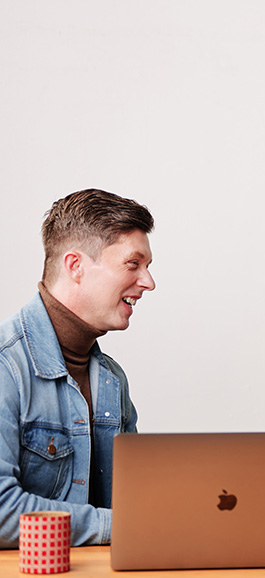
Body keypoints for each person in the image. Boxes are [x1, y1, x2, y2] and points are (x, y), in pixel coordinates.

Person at [0, 189, 155, 547]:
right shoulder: (7, 366)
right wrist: (117, 525)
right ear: (76, 267)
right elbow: (3, 511)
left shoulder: (112, 380)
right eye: (133, 264)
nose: (148, 282)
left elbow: (137, 503)